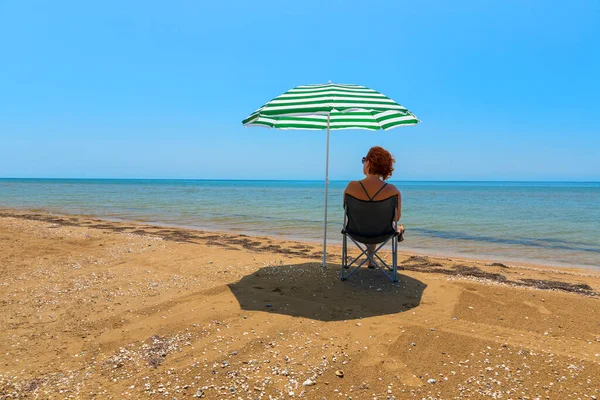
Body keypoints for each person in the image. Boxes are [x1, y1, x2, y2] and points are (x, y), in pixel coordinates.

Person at [343, 146, 404, 268]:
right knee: (385, 223)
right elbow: (396, 218)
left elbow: (346, 209)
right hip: (382, 233)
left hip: (356, 231)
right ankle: (399, 231)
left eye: (364, 160)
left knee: (368, 220)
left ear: (369, 162)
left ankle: (370, 260)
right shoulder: (393, 191)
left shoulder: (351, 187)